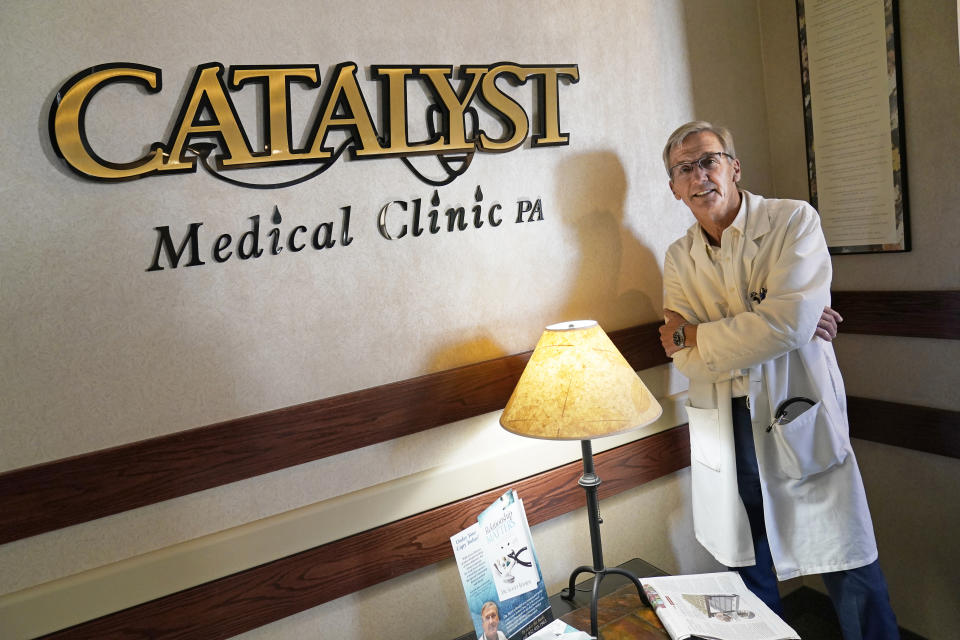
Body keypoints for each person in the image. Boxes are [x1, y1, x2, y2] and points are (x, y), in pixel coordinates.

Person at [657, 121, 899, 640]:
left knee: (846, 557)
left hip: (798, 410)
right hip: (726, 422)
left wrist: (700, 333)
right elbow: (681, 356)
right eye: (684, 169)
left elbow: (784, 325)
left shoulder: (792, 221)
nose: (699, 175)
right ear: (675, 188)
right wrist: (771, 328)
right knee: (748, 565)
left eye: (708, 160)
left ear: (734, 166)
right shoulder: (679, 258)